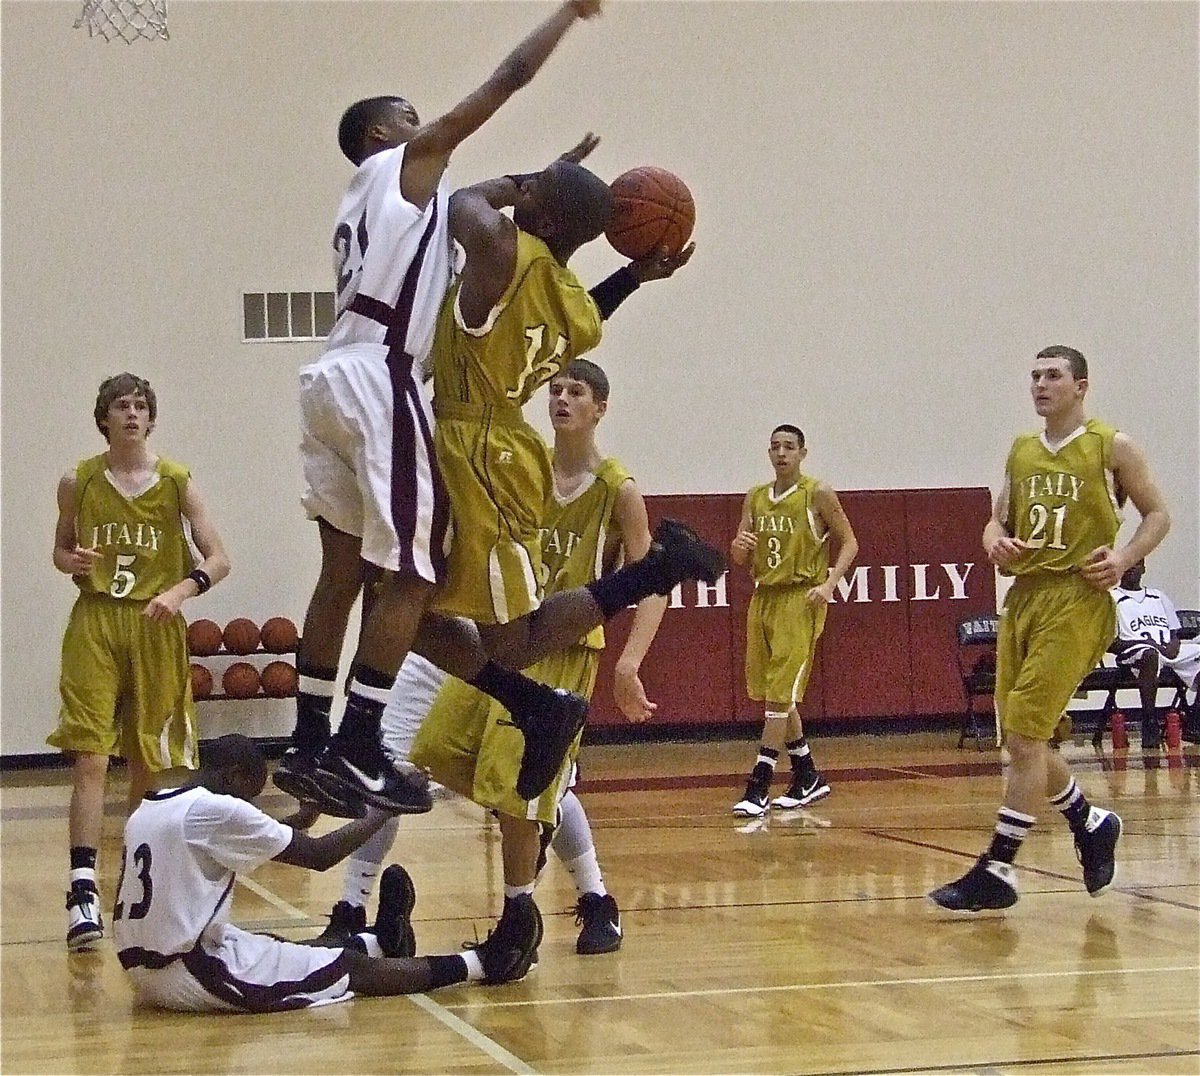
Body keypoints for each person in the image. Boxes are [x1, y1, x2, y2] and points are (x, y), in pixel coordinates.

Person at [301, 156, 722, 817]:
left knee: (509, 637)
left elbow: (464, 200)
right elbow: (592, 305)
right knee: (398, 602)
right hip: (466, 443)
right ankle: (531, 705)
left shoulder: (501, 250)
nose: (521, 192)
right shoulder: (574, 307)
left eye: (534, 191)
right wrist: (634, 273)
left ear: (543, 215)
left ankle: (655, 571)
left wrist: (514, 182)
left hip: (482, 453)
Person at [277, 0, 616, 817]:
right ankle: (361, 746)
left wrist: (548, 184)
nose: (424, 121)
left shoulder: (375, 200)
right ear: (377, 138)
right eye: (408, 118)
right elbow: (508, 78)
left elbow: (476, 196)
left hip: (328, 377)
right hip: (380, 379)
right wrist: (565, 16)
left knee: (342, 571)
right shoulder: (407, 167)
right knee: (415, 572)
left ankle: (310, 740)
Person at [312, 359, 667, 958]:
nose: (560, 398)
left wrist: (631, 662)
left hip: (555, 651)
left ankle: (543, 912)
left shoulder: (617, 489)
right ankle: (354, 907)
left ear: (600, 406)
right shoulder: (515, 465)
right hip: (478, 640)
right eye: (554, 389)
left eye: (574, 391)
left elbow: (652, 579)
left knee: (522, 792)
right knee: (419, 765)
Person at [930, 345, 1170, 912]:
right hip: (1026, 596)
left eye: (1053, 376)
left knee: (1027, 734)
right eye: (1035, 376)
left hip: (1077, 597)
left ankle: (999, 867)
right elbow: (998, 520)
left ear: (1080, 387)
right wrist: (995, 543)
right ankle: (1090, 823)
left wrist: (1124, 557)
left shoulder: (1111, 446)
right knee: (1021, 737)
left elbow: (1158, 512)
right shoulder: (1021, 451)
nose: (1041, 384)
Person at [112, 735, 538, 1013]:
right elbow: (318, 857)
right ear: (234, 776)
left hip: (147, 968)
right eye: (250, 793)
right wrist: (384, 806)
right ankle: (485, 963)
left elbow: (236, 835)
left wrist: (301, 817)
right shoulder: (218, 810)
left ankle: (380, 940)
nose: (250, 804)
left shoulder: (158, 802)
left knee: (280, 946)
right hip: (189, 973)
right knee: (345, 969)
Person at [48, 373, 231, 952]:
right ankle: (81, 889)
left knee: (149, 761)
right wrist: (69, 560)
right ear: (103, 418)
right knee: (90, 756)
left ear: (151, 418)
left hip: (156, 625)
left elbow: (220, 559)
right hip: (97, 620)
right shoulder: (77, 480)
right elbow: (59, 551)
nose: (131, 413)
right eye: (121, 406)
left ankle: (131, 870)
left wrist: (179, 593)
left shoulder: (178, 482)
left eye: (140, 406)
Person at [728, 424, 858, 817]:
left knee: (778, 697)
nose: (781, 453)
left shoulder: (817, 493)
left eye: (789, 447)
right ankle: (807, 776)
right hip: (763, 597)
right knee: (774, 694)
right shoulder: (755, 497)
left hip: (799, 600)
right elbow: (739, 556)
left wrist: (830, 583)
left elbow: (850, 542)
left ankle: (759, 785)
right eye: (775, 447)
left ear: (803, 452)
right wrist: (738, 548)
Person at [1111, 559, 1200, 749]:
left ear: (1143, 568)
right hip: (1135, 652)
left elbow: (1174, 632)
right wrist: (1147, 643)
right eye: (1127, 564)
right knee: (1150, 654)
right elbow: (1110, 643)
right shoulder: (1111, 598)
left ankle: (1195, 722)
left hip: (1166, 650)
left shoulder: (1158, 596)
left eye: (1137, 564)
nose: (1132, 568)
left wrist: (1173, 646)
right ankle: (1149, 721)